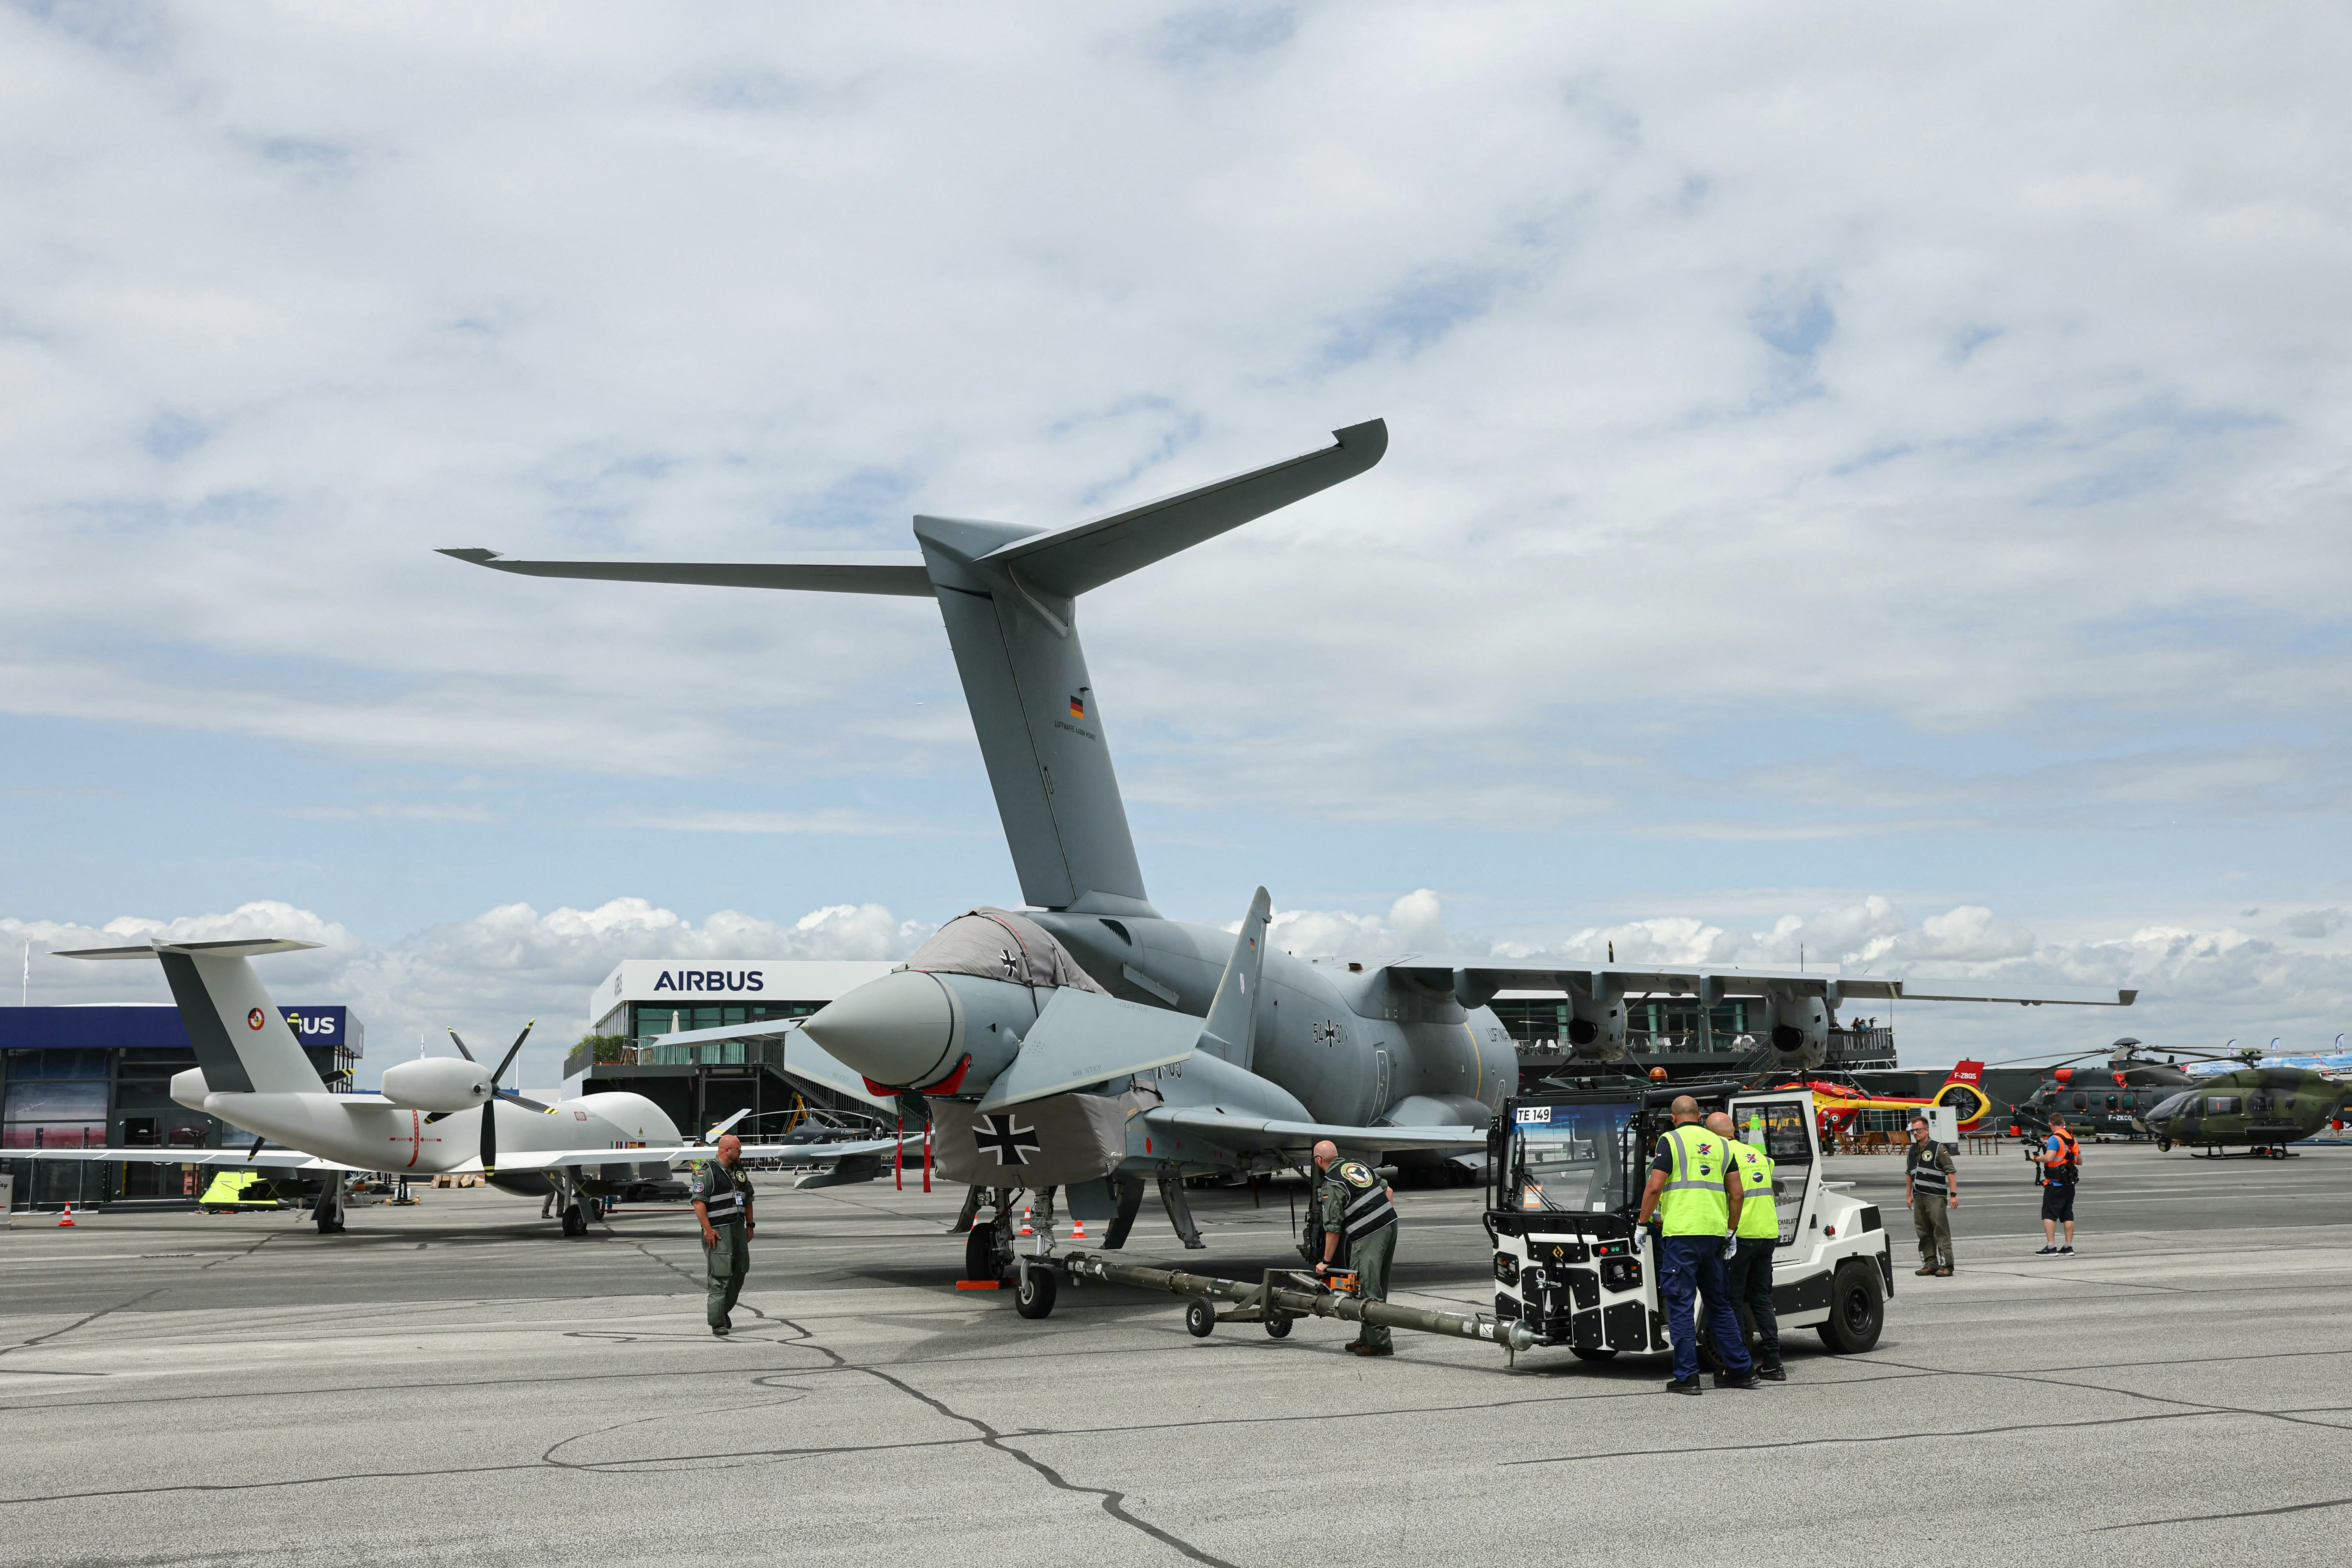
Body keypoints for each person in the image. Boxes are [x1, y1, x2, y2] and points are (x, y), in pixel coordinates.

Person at [1636, 1096, 1755, 1395]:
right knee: (1720, 1305)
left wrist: (1641, 1223)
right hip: (1715, 1235)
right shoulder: (1722, 1144)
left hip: (1682, 1236)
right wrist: (1731, 1233)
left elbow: (1654, 1186)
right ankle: (1741, 1370)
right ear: (1700, 1116)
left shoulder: (1670, 1141)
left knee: (1680, 1306)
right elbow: (1738, 1194)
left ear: (1674, 1118)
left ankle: (1687, 1376)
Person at [1708, 1111, 1784, 1383]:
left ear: (1713, 1135)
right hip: (1768, 1234)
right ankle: (1773, 1362)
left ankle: (1739, 1365)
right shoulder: (1758, 1156)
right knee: (1762, 1299)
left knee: (1734, 1302)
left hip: (1742, 1236)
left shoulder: (1721, 1156)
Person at [1312, 1138, 1397, 1357]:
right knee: (1377, 1284)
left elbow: (1333, 1229)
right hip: (1389, 1226)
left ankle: (1380, 1343)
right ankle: (1368, 1336)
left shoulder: (1332, 1182)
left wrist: (1326, 1262)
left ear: (1319, 1160)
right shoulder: (1357, 1166)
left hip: (1368, 1235)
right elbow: (1389, 1192)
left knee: (1367, 1288)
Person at [690, 1133, 756, 1336]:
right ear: (727, 1150)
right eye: (738, 1149)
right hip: (718, 1231)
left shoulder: (739, 1171)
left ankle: (723, 1310)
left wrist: (750, 1225)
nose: (741, 1152)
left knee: (740, 1270)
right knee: (720, 1276)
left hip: (738, 1227)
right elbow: (698, 1203)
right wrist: (708, 1230)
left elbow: (748, 1198)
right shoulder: (709, 1172)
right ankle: (717, 1322)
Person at [1904, 1114, 1958, 1276]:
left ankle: (1947, 1266)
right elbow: (1909, 1174)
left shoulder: (1938, 1148)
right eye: (1913, 1131)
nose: (1915, 1133)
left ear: (1927, 1130)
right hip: (1919, 1196)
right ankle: (1930, 1263)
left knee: (1940, 1230)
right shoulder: (1912, 1151)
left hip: (1935, 1197)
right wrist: (1909, 1195)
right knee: (1923, 1231)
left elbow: (1951, 1172)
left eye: (1918, 1130)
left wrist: (1954, 1195)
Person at [2031, 1114, 2080, 1255]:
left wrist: (2036, 1158)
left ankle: (2051, 1246)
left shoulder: (2055, 1139)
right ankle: (2068, 1246)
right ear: (2064, 1123)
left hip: (2056, 1182)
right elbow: (2079, 1161)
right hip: (2070, 1183)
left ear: (2051, 1124)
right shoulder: (2073, 1140)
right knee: (2068, 1214)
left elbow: (2049, 1157)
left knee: (2049, 1214)